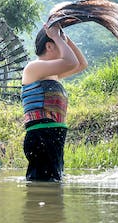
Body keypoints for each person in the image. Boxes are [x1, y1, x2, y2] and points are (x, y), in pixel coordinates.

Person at [20, 22, 88, 181]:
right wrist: (57, 36)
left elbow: (81, 64)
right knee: (43, 185)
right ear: (50, 46)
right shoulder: (34, 68)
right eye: (60, 44)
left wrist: (64, 36)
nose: (65, 48)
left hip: (54, 136)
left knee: (54, 183)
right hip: (41, 136)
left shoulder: (53, 75)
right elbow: (71, 62)